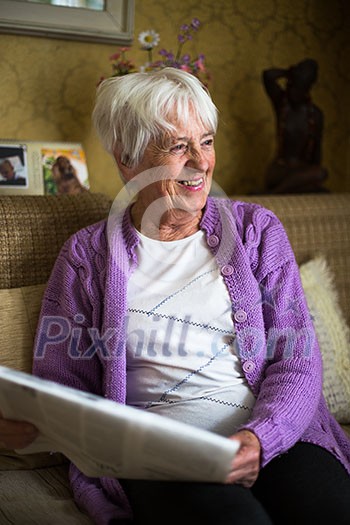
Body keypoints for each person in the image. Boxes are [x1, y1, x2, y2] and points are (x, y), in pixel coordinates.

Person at [0, 68, 349, 525]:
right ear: (127, 159)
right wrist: (36, 425)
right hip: (161, 458)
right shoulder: (86, 258)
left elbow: (297, 359)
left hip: (277, 434)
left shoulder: (256, 231)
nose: (202, 162)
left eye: (206, 141)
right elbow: (66, 387)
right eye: (178, 146)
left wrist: (261, 438)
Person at [262, 58, 328, 193]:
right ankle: (276, 192)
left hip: (302, 171)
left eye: (297, 87)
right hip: (280, 169)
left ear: (307, 88)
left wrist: (314, 177)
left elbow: (317, 150)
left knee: (321, 173)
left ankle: (283, 190)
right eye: (290, 85)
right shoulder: (282, 104)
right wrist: (290, 72)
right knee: (305, 181)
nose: (292, 91)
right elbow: (268, 75)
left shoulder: (315, 115)